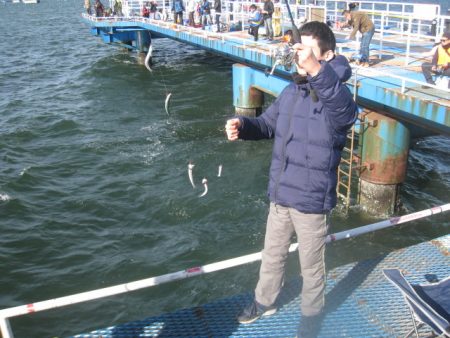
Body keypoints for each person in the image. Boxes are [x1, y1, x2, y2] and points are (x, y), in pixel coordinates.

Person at [225, 21, 357, 337]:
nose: (302, 58)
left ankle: (312, 316)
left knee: (311, 268)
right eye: (301, 51)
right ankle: (263, 301)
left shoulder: (336, 93)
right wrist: (243, 126)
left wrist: (315, 69)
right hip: (280, 193)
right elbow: (267, 125)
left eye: (310, 52)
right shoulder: (291, 90)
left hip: (311, 201)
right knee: (272, 256)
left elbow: (346, 115)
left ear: (329, 55)